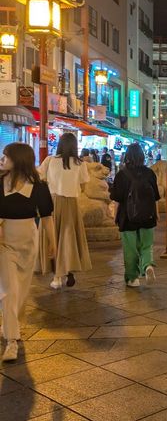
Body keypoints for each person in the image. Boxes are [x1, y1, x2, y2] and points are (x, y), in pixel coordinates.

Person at [0, 143, 55, 361]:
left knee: (21, 291)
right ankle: (11, 340)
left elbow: (47, 216)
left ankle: (10, 324)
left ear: (19, 159)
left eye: (6, 156)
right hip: (4, 240)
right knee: (9, 290)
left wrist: (53, 242)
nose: (2, 159)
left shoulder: (38, 186)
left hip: (28, 239)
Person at [38, 132, 92, 290]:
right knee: (69, 238)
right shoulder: (80, 163)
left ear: (60, 144)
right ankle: (67, 270)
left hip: (52, 202)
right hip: (72, 204)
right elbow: (83, 186)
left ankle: (57, 276)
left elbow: (40, 178)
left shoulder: (50, 160)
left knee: (53, 237)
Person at [109, 142, 160, 288]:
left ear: (127, 157)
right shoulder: (150, 173)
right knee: (146, 245)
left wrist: (115, 216)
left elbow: (117, 199)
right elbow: (155, 197)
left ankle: (132, 278)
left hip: (127, 217)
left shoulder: (121, 175)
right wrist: (156, 214)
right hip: (148, 216)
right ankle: (148, 266)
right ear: (142, 157)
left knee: (130, 248)